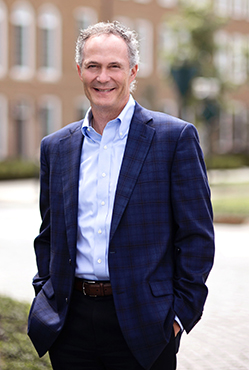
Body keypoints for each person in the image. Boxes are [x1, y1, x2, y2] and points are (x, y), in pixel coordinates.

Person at [28, 21, 215, 370]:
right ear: (79, 70)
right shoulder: (56, 147)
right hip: (70, 324)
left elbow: (197, 238)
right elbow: (49, 235)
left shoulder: (174, 139)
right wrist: (45, 294)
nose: (103, 77)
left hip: (146, 323)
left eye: (114, 66)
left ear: (133, 71)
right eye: (93, 66)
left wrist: (178, 315)